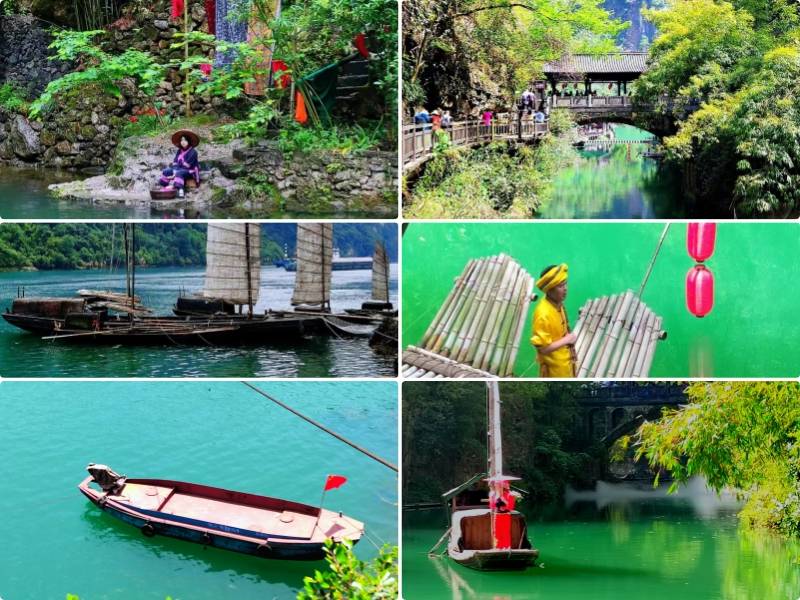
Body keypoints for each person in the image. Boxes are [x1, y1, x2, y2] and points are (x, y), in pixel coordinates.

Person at [530, 263, 577, 377]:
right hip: (555, 371)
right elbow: (543, 350)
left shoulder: (557, 303)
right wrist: (567, 340)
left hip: (566, 362)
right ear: (549, 290)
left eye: (565, 284)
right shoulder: (543, 314)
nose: (565, 289)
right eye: (560, 286)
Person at [159, 130, 201, 198]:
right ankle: (165, 187)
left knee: (180, 173)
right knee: (167, 171)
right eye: (181, 140)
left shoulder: (193, 152)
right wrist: (174, 171)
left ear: (188, 141)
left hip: (190, 171)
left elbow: (186, 167)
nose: (183, 142)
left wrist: (174, 174)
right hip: (179, 169)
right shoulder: (179, 150)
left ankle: (180, 191)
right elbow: (175, 163)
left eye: (185, 140)